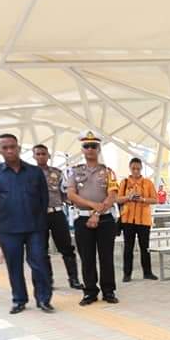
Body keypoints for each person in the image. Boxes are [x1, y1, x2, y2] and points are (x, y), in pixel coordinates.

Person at [0, 133, 54, 314]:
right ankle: (19, 300)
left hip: (34, 228)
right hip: (7, 229)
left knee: (39, 262)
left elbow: (43, 199)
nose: (9, 150)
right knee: (14, 266)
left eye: (12, 147)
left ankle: (44, 299)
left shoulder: (34, 172)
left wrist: (41, 223)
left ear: (19, 148)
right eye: (5, 148)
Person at [66, 131, 120, 305]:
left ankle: (108, 291)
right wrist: (91, 206)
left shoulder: (108, 172)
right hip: (82, 219)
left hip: (104, 219)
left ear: (98, 149)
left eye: (93, 146)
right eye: (86, 146)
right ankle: (89, 291)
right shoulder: (74, 172)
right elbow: (71, 195)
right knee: (86, 257)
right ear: (82, 149)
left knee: (106, 257)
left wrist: (97, 213)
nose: (90, 149)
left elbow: (112, 196)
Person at [32, 144, 83, 290]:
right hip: (39, 216)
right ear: (34, 156)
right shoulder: (29, 173)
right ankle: (48, 280)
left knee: (67, 247)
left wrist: (76, 201)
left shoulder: (58, 173)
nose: (41, 156)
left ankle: (73, 279)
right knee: (42, 250)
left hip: (57, 213)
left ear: (48, 155)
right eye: (38, 154)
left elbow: (65, 194)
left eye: (44, 153)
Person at [118, 157, 159, 282]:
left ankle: (147, 272)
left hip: (144, 220)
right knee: (128, 248)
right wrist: (128, 197)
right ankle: (127, 274)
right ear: (130, 168)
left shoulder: (148, 183)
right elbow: (118, 199)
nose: (135, 171)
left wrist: (143, 199)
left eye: (138, 168)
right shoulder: (124, 182)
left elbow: (155, 199)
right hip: (128, 220)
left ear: (141, 168)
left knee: (145, 247)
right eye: (133, 168)